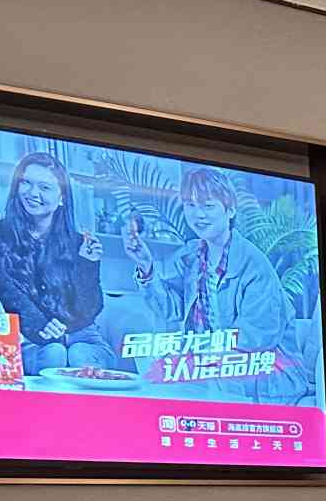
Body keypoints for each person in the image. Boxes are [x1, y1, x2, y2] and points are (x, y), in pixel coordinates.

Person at [124, 165, 309, 404]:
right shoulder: (192, 255)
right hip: (212, 364)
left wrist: (196, 358)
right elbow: (171, 308)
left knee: (193, 375)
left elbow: (256, 339)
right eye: (190, 205)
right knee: (149, 361)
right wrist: (146, 266)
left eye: (208, 206)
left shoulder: (255, 265)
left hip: (265, 375)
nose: (198, 215)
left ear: (230, 210)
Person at [0, 152, 113, 376]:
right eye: (26, 183)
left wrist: (87, 265)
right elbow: (8, 291)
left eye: (44, 187)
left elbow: (90, 309)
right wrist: (39, 324)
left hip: (83, 337)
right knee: (53, 354)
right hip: (32, 337)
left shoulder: (78, 242)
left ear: (62, 197)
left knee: (80, 355)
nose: (33, 193)